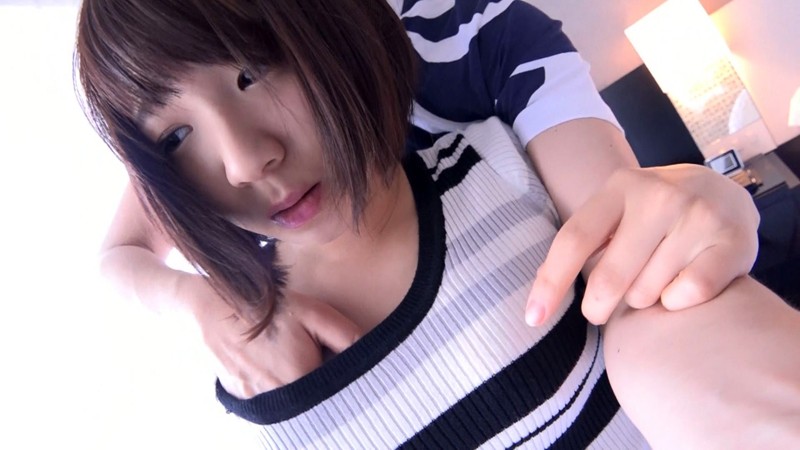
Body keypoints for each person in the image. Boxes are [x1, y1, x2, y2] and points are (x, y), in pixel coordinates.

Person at [75, 0, 799, 447]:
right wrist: (195, 300)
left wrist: (700, 210)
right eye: (176, 137)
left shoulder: (482, 43)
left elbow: (624, 252)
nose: (245, 161)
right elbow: (119, 253)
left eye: (252, 73)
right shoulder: (190, 117)